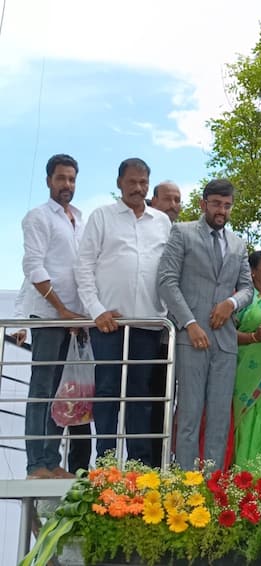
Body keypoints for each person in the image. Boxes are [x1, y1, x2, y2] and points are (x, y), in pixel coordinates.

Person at [75, 158, 172, 464]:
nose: (138, 188)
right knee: (106, 392)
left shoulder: (162, 221)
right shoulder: (102, 217)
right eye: (132, 182)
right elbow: (84, 267)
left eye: (143, 182)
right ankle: (105, 462)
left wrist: (165, 312)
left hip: (147, 323)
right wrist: (96, 310)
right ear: (119, 183)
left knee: (140, 396)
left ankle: (139, 464)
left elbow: (169, 270)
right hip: (109, 323)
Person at [158, 179, 252, 471]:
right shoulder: (182, 232)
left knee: (220, 419)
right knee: (188, 416)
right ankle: (186, 485)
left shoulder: (238, 244)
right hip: (191, 339)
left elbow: (247, 288)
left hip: (225, 343)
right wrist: (189, 323)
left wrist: (231, 304)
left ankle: (212, 488)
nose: (221, 210)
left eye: (227, 205)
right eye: (216, 204)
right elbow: (166, 281)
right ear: (203, 204)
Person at [21, 154, 91, 478]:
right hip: (49, 315)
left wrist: (81, 315)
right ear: (48, 180)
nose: (67, 185)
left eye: (72, 179)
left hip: (74, 320)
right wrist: (62, 310)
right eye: (61, 178)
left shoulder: (79, 218)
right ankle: (37, 464)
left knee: (60, 392)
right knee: (42, 389)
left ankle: (51, 461)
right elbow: (33, 266)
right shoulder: (38, 217)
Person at [232, 250, 261, 473]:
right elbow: (224, 335)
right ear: (252, 272)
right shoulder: (244, 299)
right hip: (247, 375)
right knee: (249, 421)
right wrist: (254, 337)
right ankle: (244, 481)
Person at [147, 181, 182, 467]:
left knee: (170, 402)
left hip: (178, 334)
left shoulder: (182, 234)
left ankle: (165, 462)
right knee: (145, 399)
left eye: (178, 200)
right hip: (147, 329)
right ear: (152, 201)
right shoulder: (145, 231)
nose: (173, 205)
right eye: (167, 199)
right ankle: (145, 463)